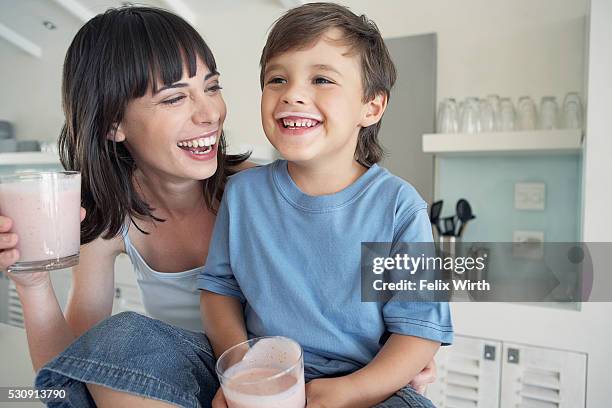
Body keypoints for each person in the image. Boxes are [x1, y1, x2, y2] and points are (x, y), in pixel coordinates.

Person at [33, 3, 448, 408]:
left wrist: (367, 383)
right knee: (116, 337)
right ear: (113, 124)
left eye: (212, 87)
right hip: (232, 373)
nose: (293, 96)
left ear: (371, 106)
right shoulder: (245, 194)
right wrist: (241, 372)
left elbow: (419, 328)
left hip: (358, 383)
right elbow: (82, 362)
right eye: (277, 80)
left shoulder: (399, 206)